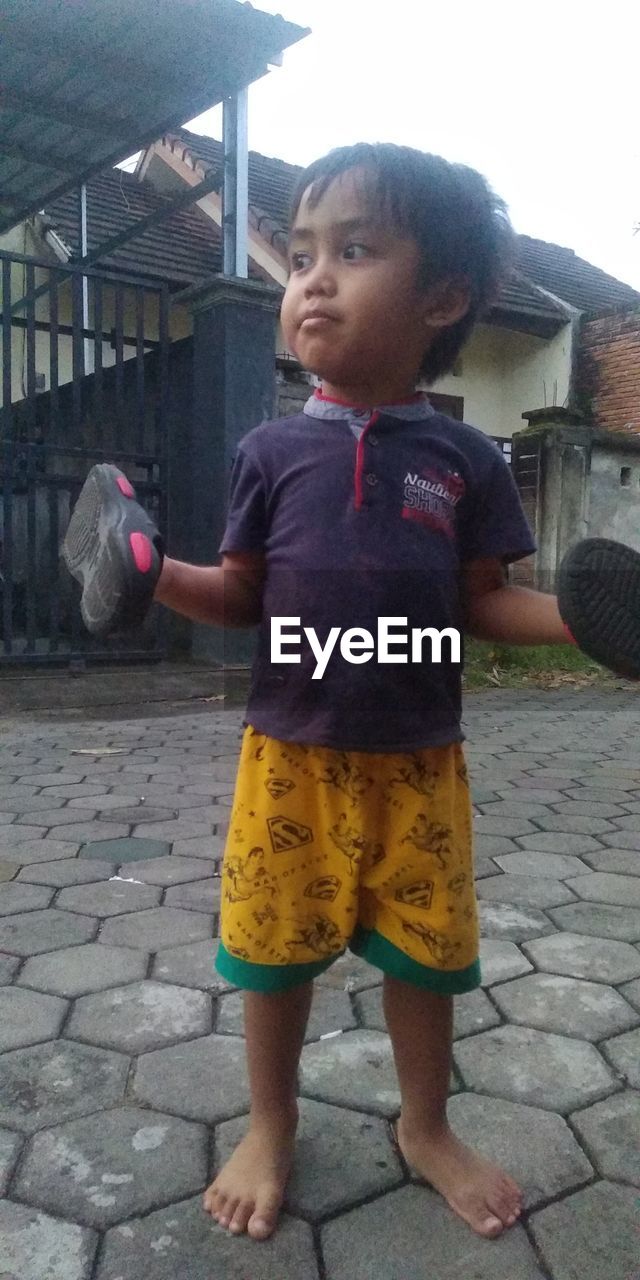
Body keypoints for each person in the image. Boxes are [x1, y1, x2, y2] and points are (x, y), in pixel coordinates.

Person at [74, 143, 575, 1243]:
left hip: (420, 761)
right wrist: (154, 574)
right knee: (272, 948)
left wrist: (593, 624)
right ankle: (269, 1117)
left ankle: (426, 1123)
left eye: (353, 250)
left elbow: (486, 601)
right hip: (289, 754)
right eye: (300, 253)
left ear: (440, 296)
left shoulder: (464, 461)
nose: (311, 277)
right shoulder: (269, 450)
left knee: (428, 954)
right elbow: (241, 593)